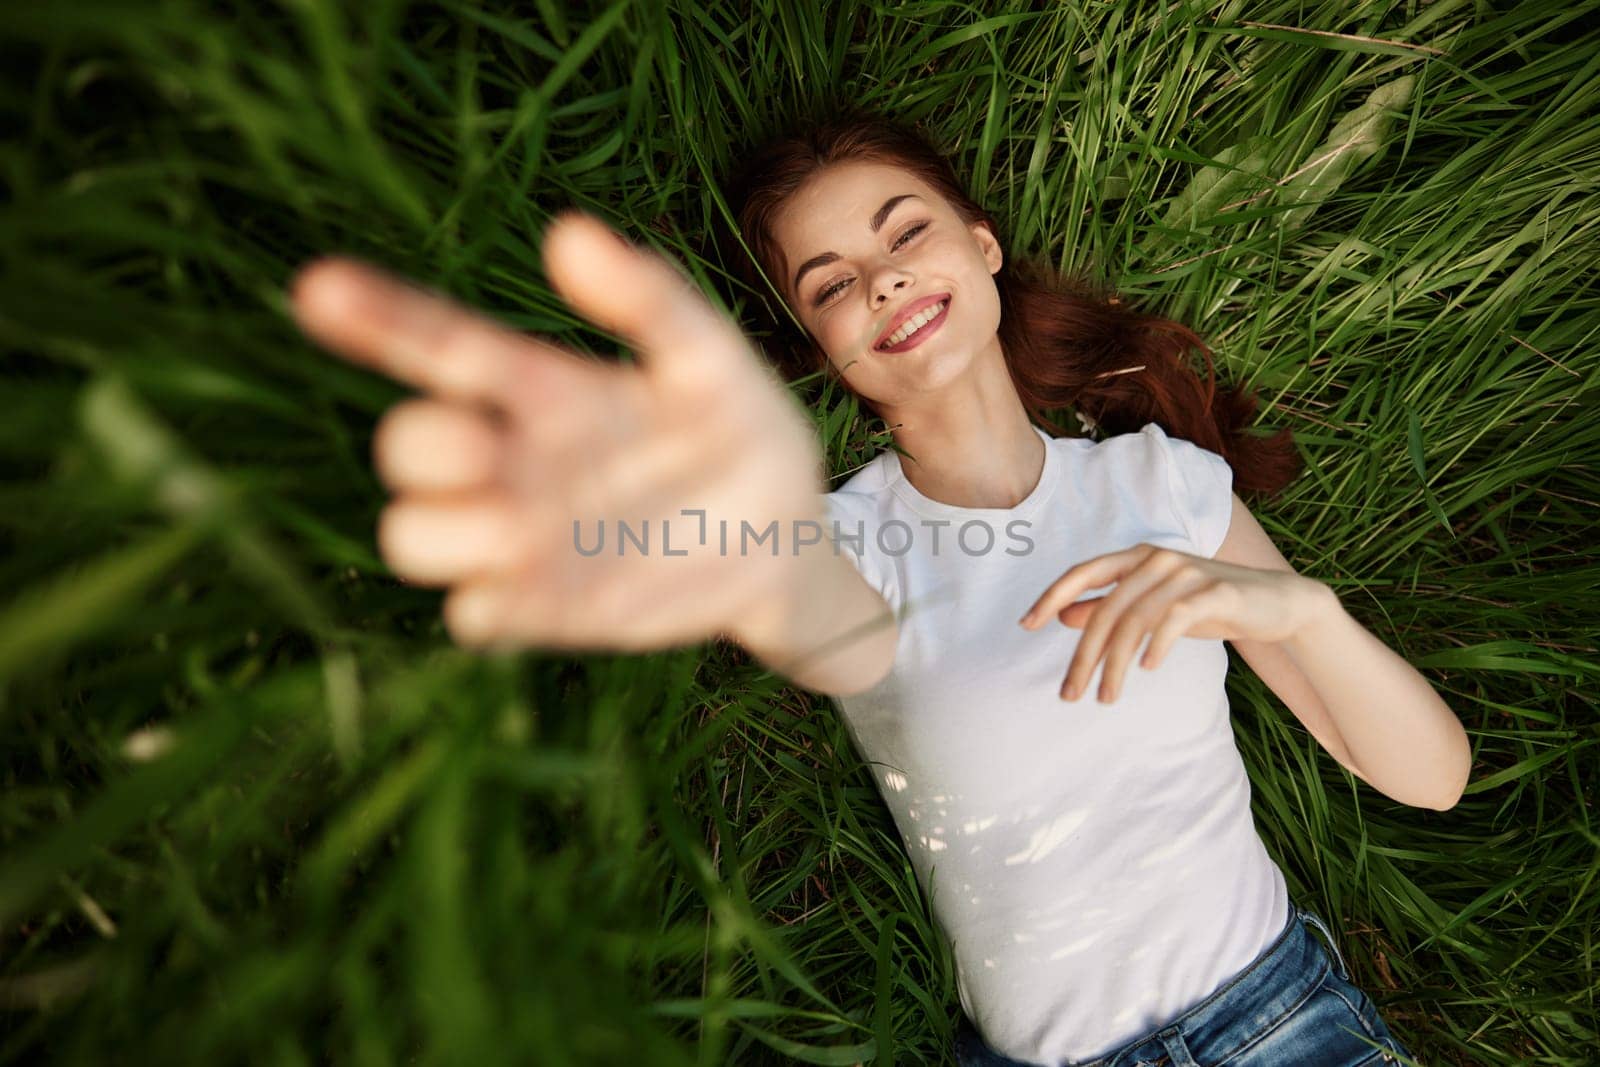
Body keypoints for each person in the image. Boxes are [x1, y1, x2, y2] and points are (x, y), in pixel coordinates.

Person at [288, 106, 1462, 1066]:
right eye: (833, 281)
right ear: (815, 343)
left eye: (905, 233)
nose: (887, 282)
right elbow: (805, 615)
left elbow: (1429, 776)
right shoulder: (843, 543)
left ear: (981, 242)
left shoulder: (1166, 485)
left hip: (1283, 1026)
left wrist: (1298, 607)